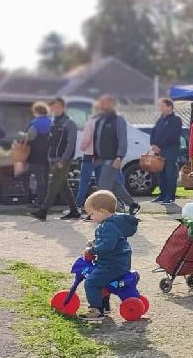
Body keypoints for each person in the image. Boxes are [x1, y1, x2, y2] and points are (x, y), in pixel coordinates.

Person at [78, 190, 140, 323]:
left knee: (92, 282)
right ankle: (104, 306)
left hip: (112, 264)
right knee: (102, 280)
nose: (91, 218)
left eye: (92, 214)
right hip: (118, 262)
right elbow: (110, 241)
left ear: (102, 211)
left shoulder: (108, 226)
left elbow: (107, 247)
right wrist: (94, 242)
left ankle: (96, 310)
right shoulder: (113, 223)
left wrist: (92, 250)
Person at [30, 98, 81, 221]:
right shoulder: (53, 122)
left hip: (62, 160)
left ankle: (43, 211)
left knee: (53, 184)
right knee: (63, 185)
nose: (55, 109)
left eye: (58, 106)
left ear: (63, 108)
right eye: (53, 107)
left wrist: (63, 160)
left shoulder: (70, 123)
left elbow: (71, 144)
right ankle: (74, 211)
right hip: (53, 159)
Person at [92, 95, 140, 216]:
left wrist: (119, 157)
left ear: (112, 104)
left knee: (103, 186)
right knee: (114, 185)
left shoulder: (118, 120)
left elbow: (122, 140)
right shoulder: (100, 119)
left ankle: (98, 211)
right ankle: (133, 205)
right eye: (101, 102)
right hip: (101, 159)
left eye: (105, 103)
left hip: (112, 158)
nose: (101, 105)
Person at [149, 98, 184, 205]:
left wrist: (160, 145)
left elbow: (173, 136)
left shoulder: (176, 120)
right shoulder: (160, 120)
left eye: (162, 106)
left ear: (169, 107)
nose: (160, 108)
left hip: (170, 152)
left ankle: (170, 197)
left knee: (170, 174)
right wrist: (154, 145)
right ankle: (162, 195)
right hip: (159, 152)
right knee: (161, 174)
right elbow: (154, 132)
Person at [75, 102, 104, 219]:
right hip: (101, 156)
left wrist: (82, 147)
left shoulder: (91, 122)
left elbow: (86, 139)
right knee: (100, 183)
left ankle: (78, 206)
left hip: (89, 155)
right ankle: (100, 206)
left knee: (84, 182)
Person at [22, 102, 54, 208]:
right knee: (46, 178)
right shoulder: (51, 121)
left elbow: (30, 137)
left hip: (36, 153)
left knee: (39, 179)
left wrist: (23, 136)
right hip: (49, 153)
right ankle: (48, 200)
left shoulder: (35, 123)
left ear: (36, 111)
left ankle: (40, 201)